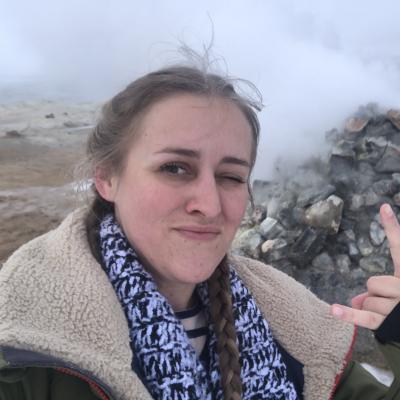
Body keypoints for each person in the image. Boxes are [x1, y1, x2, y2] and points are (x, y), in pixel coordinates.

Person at [0, 64, 399, 400]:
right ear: (106, 179)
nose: (208, 205)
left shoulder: (294, 326)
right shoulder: (23, 351)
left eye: (230, 176)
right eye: (175, 168)